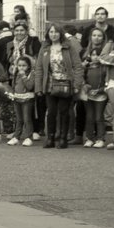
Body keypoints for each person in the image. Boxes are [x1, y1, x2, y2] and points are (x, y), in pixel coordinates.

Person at [33, 22, 83, 150]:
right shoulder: (44, 48)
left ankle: (62, 138)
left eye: (56, 32)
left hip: (66, 84)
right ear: (47, 34)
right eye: (51, 32)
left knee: (64, 112)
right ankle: (50, 138)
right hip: (49, 84)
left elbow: (77, 66)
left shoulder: (69, 47)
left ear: (60, 33)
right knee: (51, 112)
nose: (53, 34)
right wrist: (38, 87)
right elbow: (39, 68)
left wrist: (77, 84)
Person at [81, 28, 109, 148]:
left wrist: (100, 90)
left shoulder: (104, 68)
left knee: (99, 117)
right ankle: (89, 138)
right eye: (93, 55)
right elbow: (82, 78)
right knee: (89, 117)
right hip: (89, 95)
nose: (95, 57)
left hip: (101, 96)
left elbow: (106, 82)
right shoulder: (87, 67)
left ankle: (100, 138)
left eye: (98, 55)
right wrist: (85, 86)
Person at [6, 56, 36, 146]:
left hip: (27, 99)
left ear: (29, 66)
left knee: (27, 119)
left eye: (24, 66)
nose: (21, 68)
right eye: (19, 66)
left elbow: (30, 86)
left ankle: (28, 137)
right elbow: (14, 85)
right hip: (17, 98)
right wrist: (11, 93)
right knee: (19, 119)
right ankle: (16, 137)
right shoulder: (16, 74)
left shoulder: (32, 74)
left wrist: (24, 77)